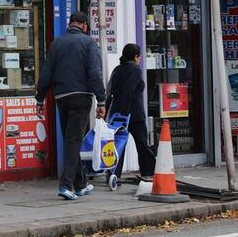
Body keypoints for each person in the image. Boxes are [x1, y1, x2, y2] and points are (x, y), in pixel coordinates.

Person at [35, 11, 106, 201]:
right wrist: (101, 100)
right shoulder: (89, 43)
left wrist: (40, 98)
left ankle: (81, 183)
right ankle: (66, 185)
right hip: (81, 96)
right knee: (74, 140)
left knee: (71, 138)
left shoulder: (56, 43)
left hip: (62, 96)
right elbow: (94, 72)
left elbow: (46, 72)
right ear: (83, 25)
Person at [106, 43, 156, 180]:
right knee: (142, 144)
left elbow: (110, 91)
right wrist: (126, 110)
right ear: (135, 57)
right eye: (139, 56)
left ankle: (113, 174)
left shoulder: (117, 70)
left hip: (117, 114)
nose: (139, 59)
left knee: (117, 146)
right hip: (134, 113)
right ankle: (148, 173)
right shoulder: (136, 70)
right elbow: (128, 91)